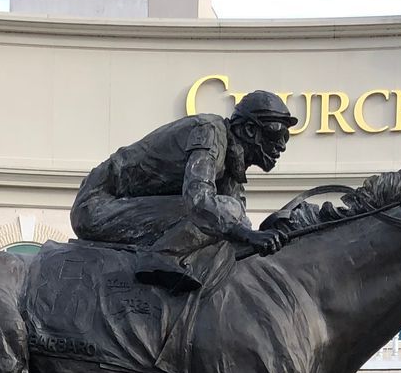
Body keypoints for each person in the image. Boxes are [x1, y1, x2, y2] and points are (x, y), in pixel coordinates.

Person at [70, 90, 297, 292]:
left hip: (125, 207)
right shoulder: (209, 132)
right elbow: (199, 202)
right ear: (249, 130)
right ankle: (159, 257)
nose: (282, 146)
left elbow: (239, 226)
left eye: (286, 137)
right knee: (227, 209)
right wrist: (248, 235)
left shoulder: (232, 159)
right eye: (277, 134)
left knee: (231, 213)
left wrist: (266, 237)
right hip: (97, 207)